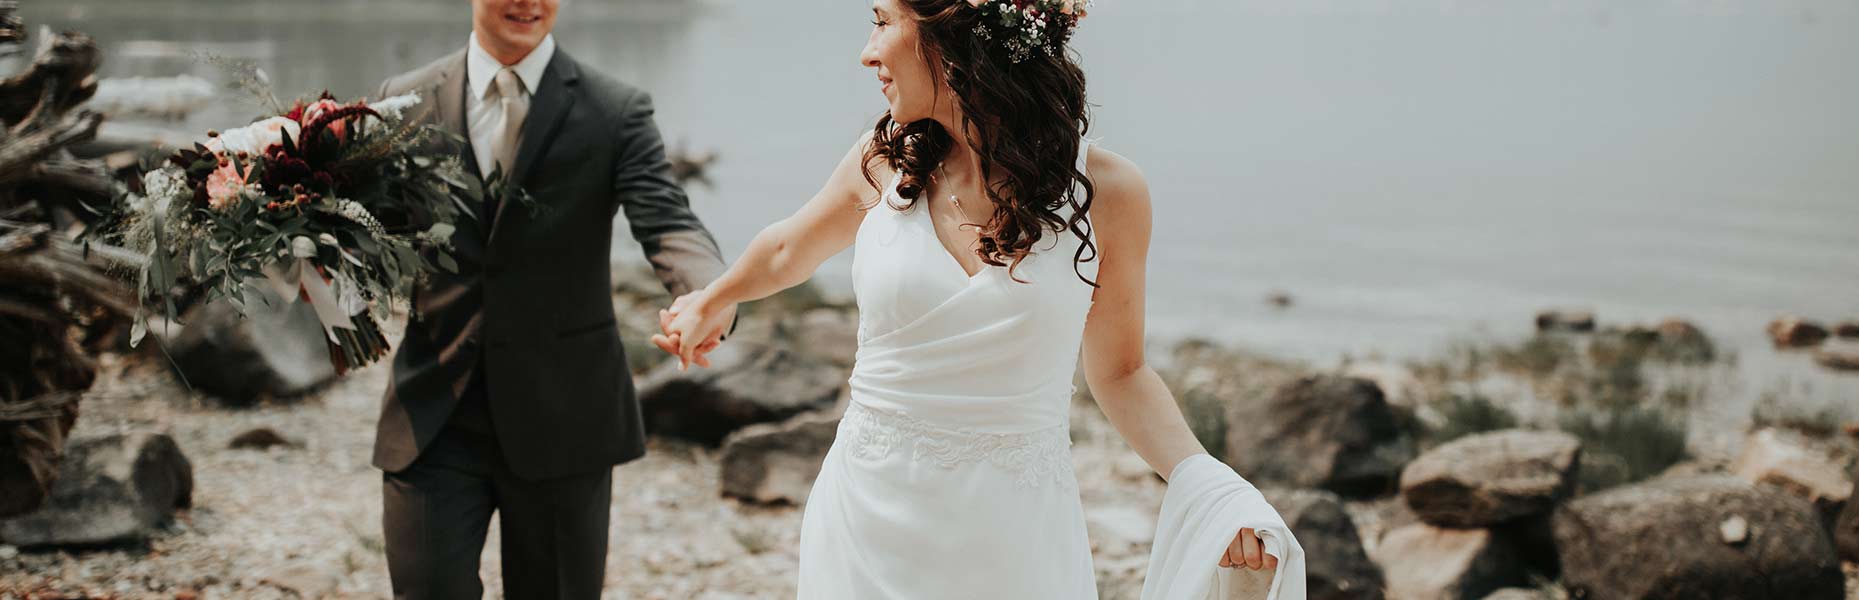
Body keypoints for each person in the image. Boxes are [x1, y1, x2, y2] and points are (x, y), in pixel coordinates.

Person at [654, 0, 1299, 596]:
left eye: (882, 21)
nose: (867, 51)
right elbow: (788, 249)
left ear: (951, 33)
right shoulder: (887, 159)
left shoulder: (1109, 194)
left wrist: (1210, 483)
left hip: (1017, 538)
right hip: (865, 521)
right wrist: (715, 298)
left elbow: (1121, 373)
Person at [370, 0, 735, 596]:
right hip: (434, 413)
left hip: (566, 417)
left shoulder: (615, 110)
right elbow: (363, 229)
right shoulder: (402, 100)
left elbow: (670, 224)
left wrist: (709, 296)